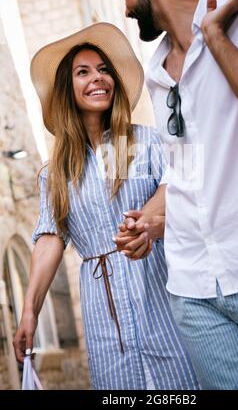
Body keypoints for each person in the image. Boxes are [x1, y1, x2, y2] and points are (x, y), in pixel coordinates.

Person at [96, 0, 238, 390]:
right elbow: (187, 169)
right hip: (192, 288)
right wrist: (149, 223)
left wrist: (217, 38)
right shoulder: (156, 70)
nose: (128, 8)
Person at [12, 23, 199, 391]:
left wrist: (152, 221)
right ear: (68, 88)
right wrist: (30, 310)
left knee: (183, 385)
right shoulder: (57, 172)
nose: (98, 78)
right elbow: (50, 238)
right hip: (103, 310)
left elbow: (190, 184)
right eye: (83, 72)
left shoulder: (146, 142)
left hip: (162, 290)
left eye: (104, 70)